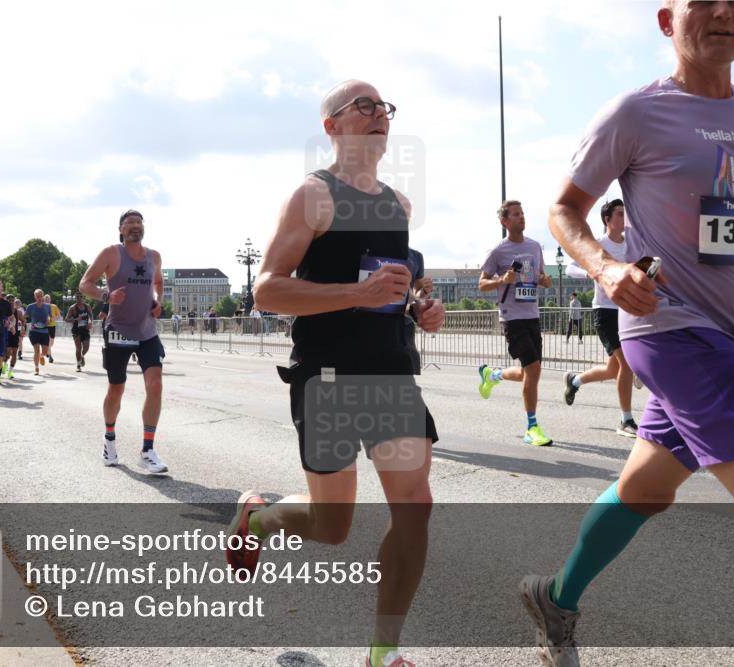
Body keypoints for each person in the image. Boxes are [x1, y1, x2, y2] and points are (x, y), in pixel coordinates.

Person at [520, 3, 734, 666]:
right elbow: (564, 208)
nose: (723, 11)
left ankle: (556, 597)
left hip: (729, 336)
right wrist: (605, 265)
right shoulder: (635, 113)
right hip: (670, 331)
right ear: (667, 20)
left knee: (646, 489)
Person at [225, 80, 444, 667]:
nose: (379, 115)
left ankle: (383, 651)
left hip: (391, 375)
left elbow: (396, 282)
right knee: (331, 526)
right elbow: (267, 290)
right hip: (326, 377)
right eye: (364, 107)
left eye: (385, 108)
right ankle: (260, 516)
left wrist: (421, 305)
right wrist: (357, 292)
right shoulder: (312, 196)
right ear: (332, 126)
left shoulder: (398, 205)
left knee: (415, 506)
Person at [79, 209, 168, 474]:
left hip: (147, 331)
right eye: (129, 223)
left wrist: (158, 303)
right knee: (116, 388)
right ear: (121, 229)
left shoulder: (154, 256)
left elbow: (159, 283)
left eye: (139, 222)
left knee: (156, 385)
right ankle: (109, 440)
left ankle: (148, 450)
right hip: (118, 330)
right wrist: (106, 295)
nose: (135, 226)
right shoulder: (111, 253)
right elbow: (85, 284)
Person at [476, 200, 556, 446]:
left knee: (528, 372)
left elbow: (542, 277)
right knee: (532, 370)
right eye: (516, 214)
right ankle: (532, 427)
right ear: (504, 221)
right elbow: (481, 283)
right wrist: (502, 279)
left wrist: (545, 281)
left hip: (532, 315)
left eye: (523, 213)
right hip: (512, 317)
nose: (522, 217)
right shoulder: (498, 251)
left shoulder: (534, 247)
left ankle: (492, 374)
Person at [563, 199, 639, 437]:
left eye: (626, 214)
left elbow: (643, 265)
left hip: (628, 310)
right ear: (608, 220)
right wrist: (590, 270)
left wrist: (650, 268)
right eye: (619, 214)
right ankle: (626, 420)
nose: (624, 218)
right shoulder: (597, 244)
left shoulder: (632, 245)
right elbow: (569, 268)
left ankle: (574, 381)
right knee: (626, 365)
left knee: (612, 370)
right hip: (605, 312)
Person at [25, 289, 52, 376]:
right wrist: (23, 323)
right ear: (35, 297)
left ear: (43, 296)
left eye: (41, 296)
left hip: (44, 331)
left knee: (44, 351)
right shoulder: (30, 306)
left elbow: (51, 317)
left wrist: (49, 319)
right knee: (36, 350)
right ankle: (36, 368)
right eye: (38, 296)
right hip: (34, 331)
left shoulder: (47, 306)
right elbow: (25, 316)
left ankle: (41, 356)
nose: (39, 298)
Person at [64, 292, 93, 372]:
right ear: (75, 298)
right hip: (76, 330)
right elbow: (66, 319)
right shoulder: (72, 308)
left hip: (85, 329)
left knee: (86, 347)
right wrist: (75, 319)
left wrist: (90, 322)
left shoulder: (87, 307)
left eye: (80, 297)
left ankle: (82, 356)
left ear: (83, 298)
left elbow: (90, 316)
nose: (79, 299)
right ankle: (78, 365)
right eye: (77, 297)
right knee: (78, 348)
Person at [2, 294, 24, 380]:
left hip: (15, 334)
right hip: (6, 334)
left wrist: (22, 328)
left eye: (12, 300)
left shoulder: (18, 312)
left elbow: (23, 321)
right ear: (6, 301)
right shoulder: (3, 310)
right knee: (7, 353)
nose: (11, 302)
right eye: (9, 300)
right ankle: (4, 365)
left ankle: (10, 372)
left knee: (14, 352)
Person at [44, 294, 60, 363]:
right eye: (46, 299)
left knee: (52, 342)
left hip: (53, 325)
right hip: (45, 326)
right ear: (44, 300)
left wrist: (54, 319)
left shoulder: (54, 306)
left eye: (48, 298)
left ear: (50, 299)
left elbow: (58, 315)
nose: (47, 300)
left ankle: (47, 351)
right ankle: (50, 356)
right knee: (49, 341)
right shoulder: (42, 306)